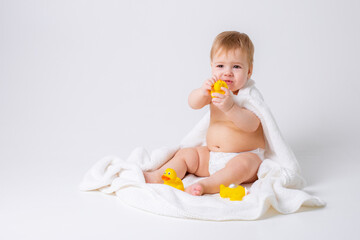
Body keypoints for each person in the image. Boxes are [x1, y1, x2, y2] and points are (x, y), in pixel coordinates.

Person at [144, 31, 265, 196]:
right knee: (187, 154)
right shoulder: (214, 90)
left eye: (236, 66)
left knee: (243, 166)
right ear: (212, 67)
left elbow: (252, 125)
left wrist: (230, 108)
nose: (227, 72)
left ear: (249, 71)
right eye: (220, 66)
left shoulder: (249, 95)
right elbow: (192, 103)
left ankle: (206, 185)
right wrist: (202, 92)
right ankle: (159, 176)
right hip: (211, 156)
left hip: (244, 156)